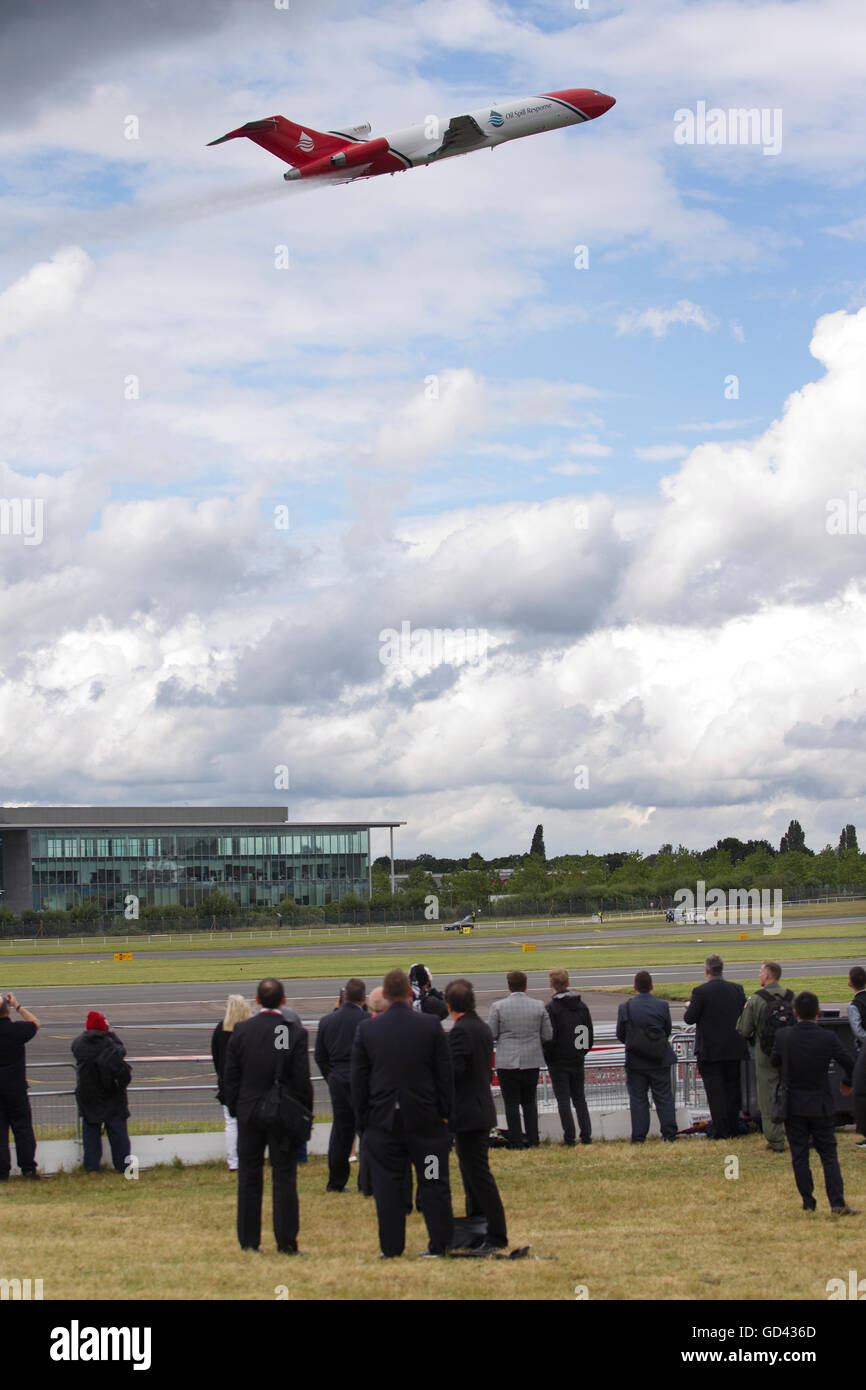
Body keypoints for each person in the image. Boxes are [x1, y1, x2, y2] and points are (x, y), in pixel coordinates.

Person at [350, 968, 454, 1258]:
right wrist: (445, 1114)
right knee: (433, 1181)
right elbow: (445, 1076)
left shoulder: (368, 1029)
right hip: (427, 1123)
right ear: (410, 993)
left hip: (385, 1124)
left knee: (388, 1186)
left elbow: (359, 1082)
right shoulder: (430, 1026)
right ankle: (439, 1244)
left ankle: (391, 1248)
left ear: (384, 995)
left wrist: (364, 1121)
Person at [223, 977, 313, 1254]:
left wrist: (237, 1109)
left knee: (249, 1176)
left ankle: (249, 1241)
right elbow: (300, 1079)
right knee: (284, 1176)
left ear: (257, 1000)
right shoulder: (290, 1032)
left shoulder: (241, 1031)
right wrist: (304, 1115)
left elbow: (230, 1079)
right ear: (284, 1000)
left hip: (250, 1113)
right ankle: (286, 1241)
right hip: (281, 1113)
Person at [770, 990, 857, 1214]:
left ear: (795, 1012)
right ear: (818, 1012)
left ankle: (808, 1202)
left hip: (793, 1102)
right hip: (820, 1102)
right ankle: (837, 1202)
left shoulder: (784, 1036)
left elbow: (774, 1061)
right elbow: (849, 1061)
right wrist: (847, 1081)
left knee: (799, 1154)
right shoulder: (827, 1037)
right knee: (828, 1153)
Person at [445, 978, 508, 1251]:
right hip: (480, 1109)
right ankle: (478, 1224)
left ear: (450, 1006)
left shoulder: (460, 1032)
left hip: (469, 1112)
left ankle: (496, 1233)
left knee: (479, 1176)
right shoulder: (481, 1027)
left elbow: (454, 1071)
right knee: (473, 1174)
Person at [683, 955, 747, 1140]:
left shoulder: (700, 992)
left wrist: (689, 1008)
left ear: (707, 971)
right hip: (733, 1047)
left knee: (715, 1092)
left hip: (711, 1051)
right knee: (732, 1091)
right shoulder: (736, 989)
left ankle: (721, 1130)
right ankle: (733, 1126)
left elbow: (690, 1018)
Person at [488, 971, 552, 1148]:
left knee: (511, 1104)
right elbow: (548, 1034)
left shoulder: (498, 1007)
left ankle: (516, 1141)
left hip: (507, 1062)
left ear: (509, 986)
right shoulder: (538, 1006)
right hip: (531, 1060)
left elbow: (491, 1033)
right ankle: (533, 1140)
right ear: (525, 986)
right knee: (530, 1102)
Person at [315, 977, 367, 1192]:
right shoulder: (368, 1020)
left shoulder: (327, 1021)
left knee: (340, 1132)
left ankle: (335, 1183)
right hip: (361, 1080)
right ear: (364, 998)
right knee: (366, 1130)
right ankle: (367, 1182)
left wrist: (332, 1077)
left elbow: (320, 1057)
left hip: (337, 1078)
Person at [736, 961, 793, 1153]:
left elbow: (743, 1030)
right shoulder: (791, 997)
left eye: (760, 972)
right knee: (792, 1093)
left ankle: (776, 1140)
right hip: (790, 1054)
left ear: (768, 976)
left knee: (768, 1098)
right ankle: (796, 1133)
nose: (759, 975)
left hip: (765, 1055)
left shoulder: (756, 1000)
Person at [616, 971, 678, 1143]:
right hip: (659, 1057)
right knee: (664, 1097)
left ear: (634, 987)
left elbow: (620, 1034)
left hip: (636, 1060)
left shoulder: (625, 1007)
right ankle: (669, 1134)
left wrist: (637, 1045)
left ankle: (639, 1136)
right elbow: (667, 1030)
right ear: (651, 986)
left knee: (638, 1099)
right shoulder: (662, 1005)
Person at [71, 1011, 132, 1174]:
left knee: (91, 1132)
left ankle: (91, 1168)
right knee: (118, 1133)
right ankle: (124, 1166)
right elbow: (121, 1051)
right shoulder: (109, 1043)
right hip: (111, 1094)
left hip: (88, 1096)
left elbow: (74, 1048)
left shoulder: (79, 1043)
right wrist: (110, 1033)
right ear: (103, 1026)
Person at [544, 968, 594, 1146]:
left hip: (558, 1060)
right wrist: (581, 1052)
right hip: (577, 1057)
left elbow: (549, 1036)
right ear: (568, 983)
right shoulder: (581, 1006)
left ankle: (570, 1137)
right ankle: (586, 1135)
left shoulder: (552, 1009)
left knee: (563, 1100)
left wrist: (549, 1056)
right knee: (579, 1098)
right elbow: (588, 1033)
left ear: (551, 985)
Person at [0, 991, 40, 1181]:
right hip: (16, 1089)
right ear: (7, 1011)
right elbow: (35, 1023)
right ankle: (28, 1169)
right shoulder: (17, 1030)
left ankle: (2, 1171)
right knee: (23, 1129)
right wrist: (17, 1005)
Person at [211, 994, 252, 1171]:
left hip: (227, 1083)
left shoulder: (220, 1029)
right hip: (248, 1083)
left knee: (231, 1123)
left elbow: (216, 1056)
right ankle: (248, 1158)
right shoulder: (249, 1029)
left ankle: (233, 1161)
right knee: (250, 1123)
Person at [848, 965, 866, 1147]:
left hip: (863, 1053)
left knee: (862, 1092)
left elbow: (858, 1032)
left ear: (850, 983)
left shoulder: (854, 1005)